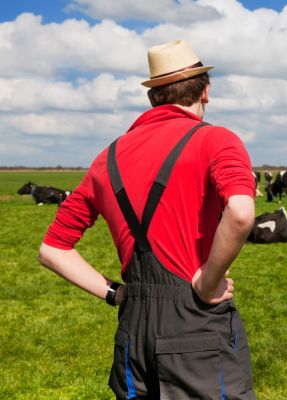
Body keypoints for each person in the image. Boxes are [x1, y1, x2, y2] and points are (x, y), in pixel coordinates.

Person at [39, 39, 256, 399]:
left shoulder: (106, 158)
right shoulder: (216, 140)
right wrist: (207, 282)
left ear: (153, 97)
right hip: (195, 323)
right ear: (206, 91)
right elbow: (241, 211)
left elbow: (52, 249)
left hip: (132, 328)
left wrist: (116, 293)